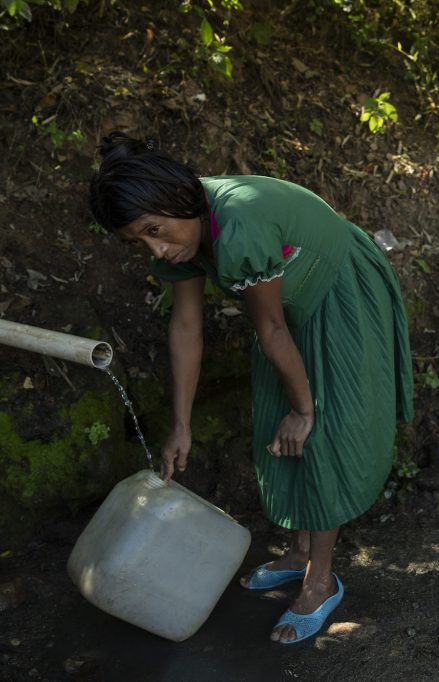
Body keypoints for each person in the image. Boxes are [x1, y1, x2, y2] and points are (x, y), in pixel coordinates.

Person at [89, 132, 413, 644]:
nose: (155, 248)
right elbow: (187, 327)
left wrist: (306, 410)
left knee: (318, 433)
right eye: (138, 240)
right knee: (274, 420)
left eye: (155, 230)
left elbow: (272, 331)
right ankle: (300, 551)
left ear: (178, 201)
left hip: (338, 288)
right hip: (286, 308)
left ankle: (321, 581)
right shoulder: (182, 232)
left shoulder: (239, 224)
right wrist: (181, 426)